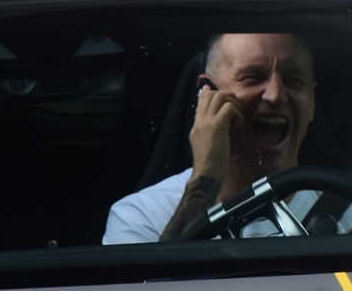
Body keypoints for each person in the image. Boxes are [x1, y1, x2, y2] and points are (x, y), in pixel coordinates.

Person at [106, 31, 329, 244]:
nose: (275, 95)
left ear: (311, 102)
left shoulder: (346, 211)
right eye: (253, 77)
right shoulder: (141, 217)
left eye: (293, 81)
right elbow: (157, 283)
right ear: (206, 94)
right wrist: (206, 177)